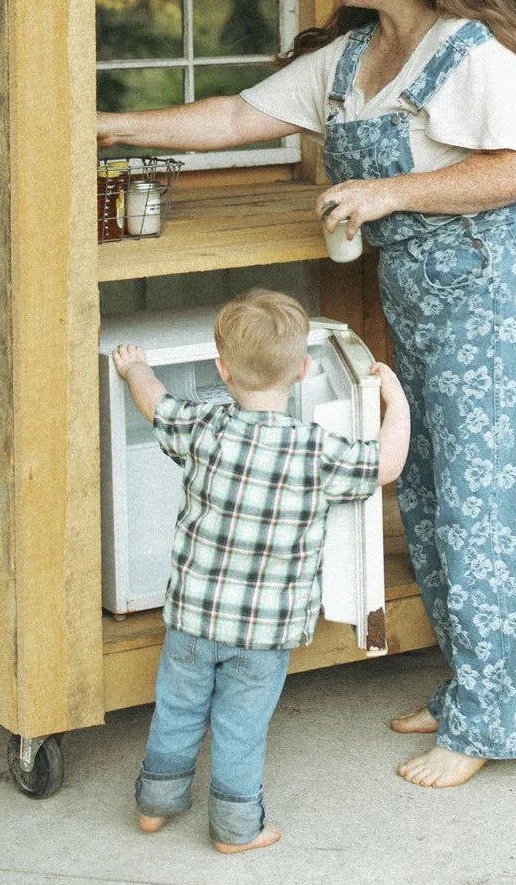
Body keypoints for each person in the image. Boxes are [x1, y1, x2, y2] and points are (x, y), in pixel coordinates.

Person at [97, 0, 516, 791]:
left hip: (505, 301)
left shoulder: (469, 52)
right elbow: (239, 114)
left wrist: (388, 191)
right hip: (431, 301)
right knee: (437, 504)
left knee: (495, 508)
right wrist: (113, 124)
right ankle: (471, 686)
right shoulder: (351, 58)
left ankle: (498, 717)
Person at [114, 288, 412, 852]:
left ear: (221, 370)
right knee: (239, 726)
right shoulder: (315, 452)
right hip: (264, 634)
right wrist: (395, 403)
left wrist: (136, 368)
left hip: (191, 619)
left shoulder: (203, 427)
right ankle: (234, 828)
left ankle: (155, 804)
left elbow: (155, 402)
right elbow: (386, 464)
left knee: (176, 709)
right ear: (303, 371)